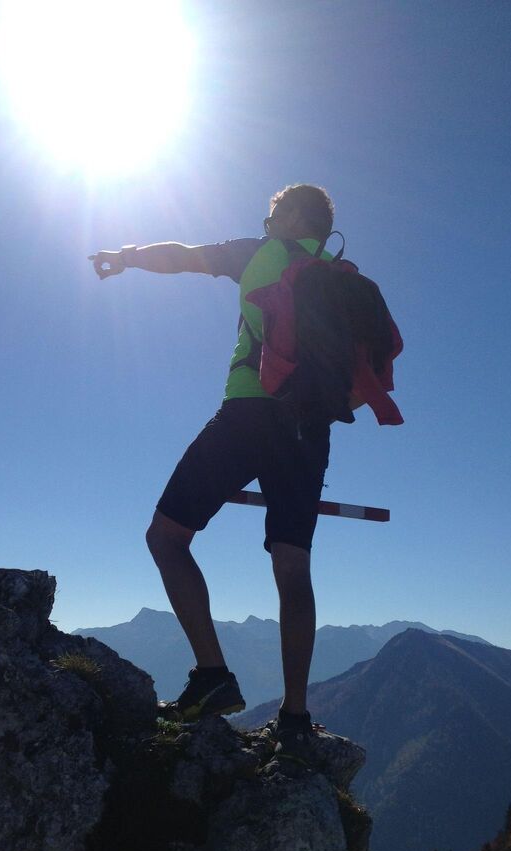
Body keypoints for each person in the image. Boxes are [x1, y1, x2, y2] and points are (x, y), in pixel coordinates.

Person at [90, 184, 339, 766]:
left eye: (274, 212)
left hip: (249, 412)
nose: (267, 220)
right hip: (309, 429)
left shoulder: (260, 252)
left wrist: (126, 257)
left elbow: (183, 256)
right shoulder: (341, 277)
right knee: (293, 567)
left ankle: (213, 676)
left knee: (166, 536)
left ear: (293, 216)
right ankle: (295, 721)